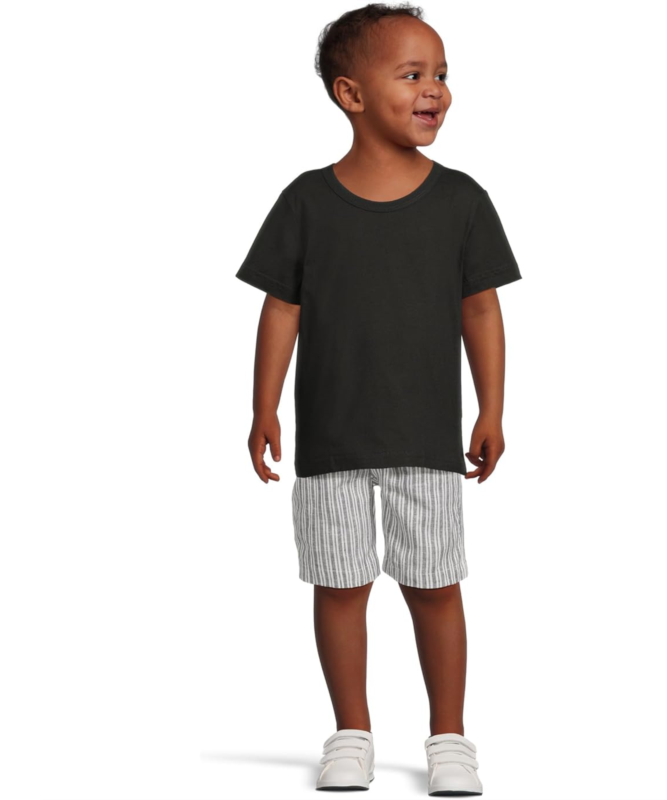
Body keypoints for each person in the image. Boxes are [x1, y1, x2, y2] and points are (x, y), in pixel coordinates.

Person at [235, 3, 521, 795]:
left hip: (427, 439)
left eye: (443, 74)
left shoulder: (462, 200)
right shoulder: (306, 200)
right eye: (413, 74)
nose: (436, 89)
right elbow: (281, 308)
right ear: (351, 94)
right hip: (331, 438)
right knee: (339, 586)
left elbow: (481, 311)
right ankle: (351, 733)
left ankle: (450, 738)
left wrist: (492, 409)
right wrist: (264, 407)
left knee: (435, 587)